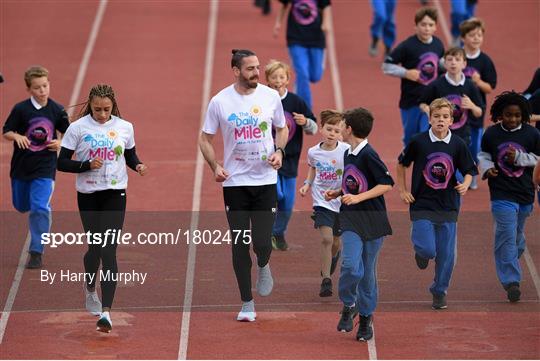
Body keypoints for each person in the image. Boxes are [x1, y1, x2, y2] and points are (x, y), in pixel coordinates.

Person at [199, 49, 288, 322]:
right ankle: (247, 302)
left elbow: (281, 128)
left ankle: (263, 263)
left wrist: (280, 151)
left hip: (264, 181)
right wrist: (215, 166)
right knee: (239, 244)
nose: (257, 73)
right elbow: (205, 138)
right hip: (235, 183)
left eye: (258, 67)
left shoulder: (271, 97)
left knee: (262, 242)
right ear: (236, 70)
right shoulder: (220, 101)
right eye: (250, 68)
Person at [57, 84, 147, 333]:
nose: (102, 114)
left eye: (106, 109)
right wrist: (85, 165)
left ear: (113, 106)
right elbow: (62, 162)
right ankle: (89, 287)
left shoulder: (124, 127)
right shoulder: (78, 128)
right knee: (95, 250)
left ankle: (106, 312)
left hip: (115, 193)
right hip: (88, 196)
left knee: (109, 251)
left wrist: (138, 166)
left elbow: (130, 156)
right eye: (97, 109)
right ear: (90, 105)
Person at [396, 98, 477, 310]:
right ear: (429, 118)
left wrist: (466, 184)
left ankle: (439, 290)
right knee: (428, 249)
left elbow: (470, 170)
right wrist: (403, 190)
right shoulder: (418, 141)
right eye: (436, 116)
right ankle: (421, 252)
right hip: (422, 202)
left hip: (448, 204)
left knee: (447, 255)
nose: (440, 120)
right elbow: (401, 164)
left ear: (451, 120)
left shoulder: (458, 144)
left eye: (445, 117)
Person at [324, 107, 393, 342]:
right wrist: (339, 192)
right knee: (351, 267)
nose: (340, 129)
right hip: (352, 219)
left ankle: (365, 318)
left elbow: (386, 183)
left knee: (367, 275)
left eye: (342, 126)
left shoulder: (368, 154)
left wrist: (357, 198)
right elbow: (353, 182)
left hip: (373, 222)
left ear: (349, 129)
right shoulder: (348, 153)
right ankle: (348, 304)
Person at [2, 65, 70, 269]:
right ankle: (36, 212)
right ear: (29, 89)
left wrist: (61, 143)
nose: (43, 91)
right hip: (21, 167)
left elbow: (71, 133)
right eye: (38, 87)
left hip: (45, 167)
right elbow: (6, 131)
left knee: (39, 207)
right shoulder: (21, 109)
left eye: (45, 85)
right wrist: (17, 136)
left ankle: (36, 250)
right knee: (22, 206)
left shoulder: (57, 109)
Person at [478, 91, 540, 302]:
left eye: (516, 115)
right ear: (499, 115)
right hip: (501, 192)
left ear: (523, 115)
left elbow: (539, 160)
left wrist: (520, 158)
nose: (512, 119)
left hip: (525, 192)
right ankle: (511, 281)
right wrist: (487, 168)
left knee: (516, 237)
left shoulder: (533, 135)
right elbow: (483, 155)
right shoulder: (491, 134)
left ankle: (511, 254)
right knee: (505, 234)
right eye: (507, 115)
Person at [265, 59, 317, 251]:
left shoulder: (296, 101)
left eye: (281, 76)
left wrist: (305, 122)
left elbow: (314, 128)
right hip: (268, 160)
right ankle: (266, 230)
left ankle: (278, 233)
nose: (278, 80)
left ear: (287, 79)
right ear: (268, 80)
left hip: (290, 160)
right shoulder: (262, 100)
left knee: (287, 203)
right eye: (274, 77)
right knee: (275, 195)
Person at [299, 110, 347, 297]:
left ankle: (334, 257)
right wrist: (306, 184)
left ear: (341, 133)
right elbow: (313, 168)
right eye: (329, 129)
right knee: (326, 239)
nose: (332, 134)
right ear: (321, 129)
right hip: (321, 200)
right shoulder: (313, 152)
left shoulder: (345, 150)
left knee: (336, 242)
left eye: (336, 131)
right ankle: (326, 280)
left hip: (341, 201)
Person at [382, 6, 445, 147]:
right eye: (423, 25)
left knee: (427, 137)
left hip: (431, 102)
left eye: (430, 25)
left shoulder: (438, 44)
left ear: (435, 27)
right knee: (410, 140)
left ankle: (423, 166)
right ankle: (406, 162)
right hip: (411, 101)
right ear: (415, 26)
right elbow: (386, 66)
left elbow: (441, 66)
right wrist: (406, 73)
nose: (427, 28)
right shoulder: (407, 46)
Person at [419, 47, 484, 148]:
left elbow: (479, 112)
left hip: (462, 135)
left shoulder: (470, 86)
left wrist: (472, 106)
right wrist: (427, 109)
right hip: (439, 135)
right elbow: (422, 103)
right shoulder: (436, 85)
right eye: (449, 59)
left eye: (457, 59)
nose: (453, 63)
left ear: (464, 64)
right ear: (444, 64)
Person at [459, 17, 497, 189]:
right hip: (457, 111)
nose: (476, 38)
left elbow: (490, 87)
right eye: (472, 35)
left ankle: (472, 174)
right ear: (463, 38)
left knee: (474, 146)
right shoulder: (455, 57)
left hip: (476, 110)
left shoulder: (485, 61)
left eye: (479, 35)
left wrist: (478, 81)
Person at [273, 0, 331, 109]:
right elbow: (283, 4)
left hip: (316, 38)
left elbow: (326, 6)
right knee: (302, 73)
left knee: (315, 76)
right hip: (296, 38)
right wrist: (278, 23)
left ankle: (300, 83)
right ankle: (305, 109)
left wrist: (326, 22)